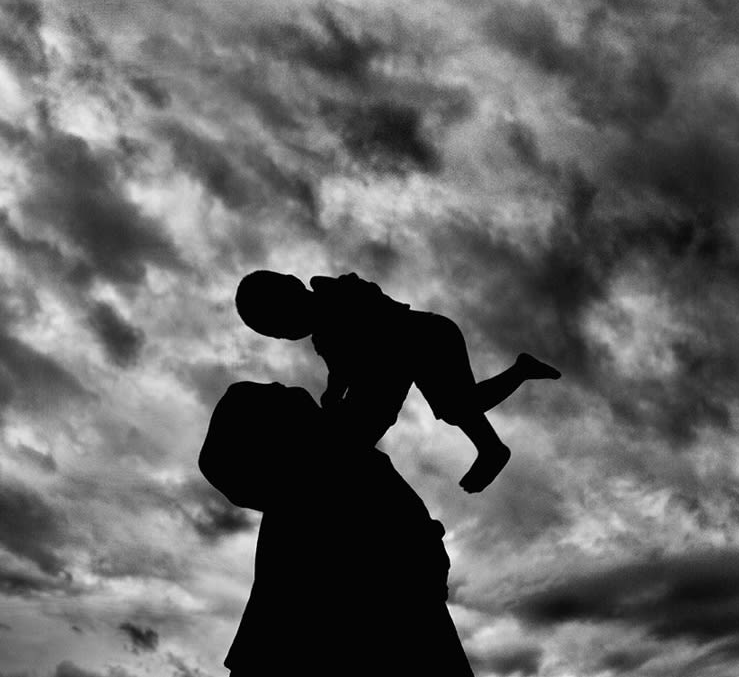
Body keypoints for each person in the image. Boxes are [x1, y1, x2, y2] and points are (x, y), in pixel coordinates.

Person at [200, 381, 474, 676]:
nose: (285, 386)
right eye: (278, 394)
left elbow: (421, 540)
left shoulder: (330, 475)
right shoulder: (334, 474)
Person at [234, 271, 560, 492]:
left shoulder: (338, 294)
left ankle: (517, 378)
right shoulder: (323, 337)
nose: (287, 332)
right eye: (278, 332)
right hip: (404, 357)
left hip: (429, 338)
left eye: (282, 319)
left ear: (293, 287)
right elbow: (341, 369)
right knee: (456, 407)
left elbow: (377, 329)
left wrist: (355, 390)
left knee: (458, 406)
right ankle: (492, 445)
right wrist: (334, 395)